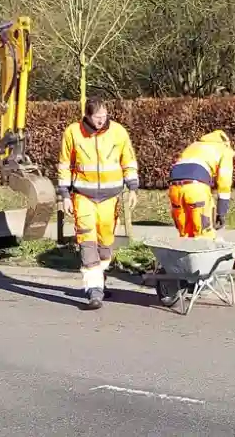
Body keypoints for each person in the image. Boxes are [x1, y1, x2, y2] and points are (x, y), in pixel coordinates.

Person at [56, 97, 140, 309]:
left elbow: (128, 160)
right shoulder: (73, 133)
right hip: (83, 195)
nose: (102, 120)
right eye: (97, 117)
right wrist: (65, 194)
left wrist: (133, 188)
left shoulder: (119, 132)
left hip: (110, 197)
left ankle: (99, 278)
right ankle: (93, 290)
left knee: (105, 243)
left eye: (104, 116)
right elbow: (65, 165)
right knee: (87, 239)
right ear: (87, 115)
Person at [167, 130, 235, 240]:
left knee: (184, 233)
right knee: (204, 234)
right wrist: (221, 212)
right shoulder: (224, 150)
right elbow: (224, 182)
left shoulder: (194, 146)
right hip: (196, 189)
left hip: (174, 187)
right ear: (227, 142)